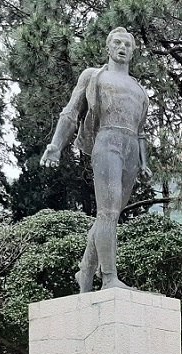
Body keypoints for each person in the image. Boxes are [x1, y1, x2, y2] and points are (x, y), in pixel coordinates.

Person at [40, 27, 151, 292]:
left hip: (131, 152)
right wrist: (56, 145)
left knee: (110, 215)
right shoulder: (93, 76)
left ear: (133, 51)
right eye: (117, 43)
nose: (122, 47)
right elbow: (70, 113)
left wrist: (145, 162)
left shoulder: (139, 90)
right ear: (108, 47)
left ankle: (85, 271)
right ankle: (109, 278)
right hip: (107, 141)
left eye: (127, 44)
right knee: (108, 212)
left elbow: (141, 130)